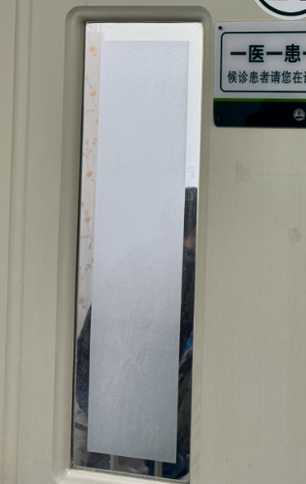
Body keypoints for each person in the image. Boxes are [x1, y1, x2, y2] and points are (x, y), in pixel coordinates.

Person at [74, 186, 198, 478]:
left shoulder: (141, 255)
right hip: (121, 402)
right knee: (178, 464)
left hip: (87, 383)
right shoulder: (187, 268)